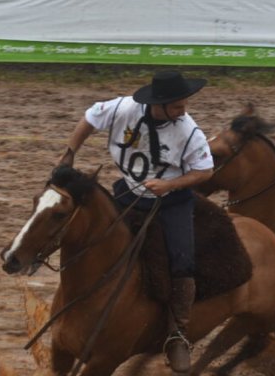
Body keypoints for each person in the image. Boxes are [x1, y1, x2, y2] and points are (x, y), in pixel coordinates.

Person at [57, 70, 213, 373]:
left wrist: (169, 185)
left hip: (172, 202)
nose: (184, 110)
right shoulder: (123, 108)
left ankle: (177, 335)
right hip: (128, 191)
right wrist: (69, 152)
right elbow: (90, 118)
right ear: (159, 104)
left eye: (184, 104)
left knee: (182, 262)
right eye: (178, 106)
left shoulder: (189, 131)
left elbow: (205, 171)